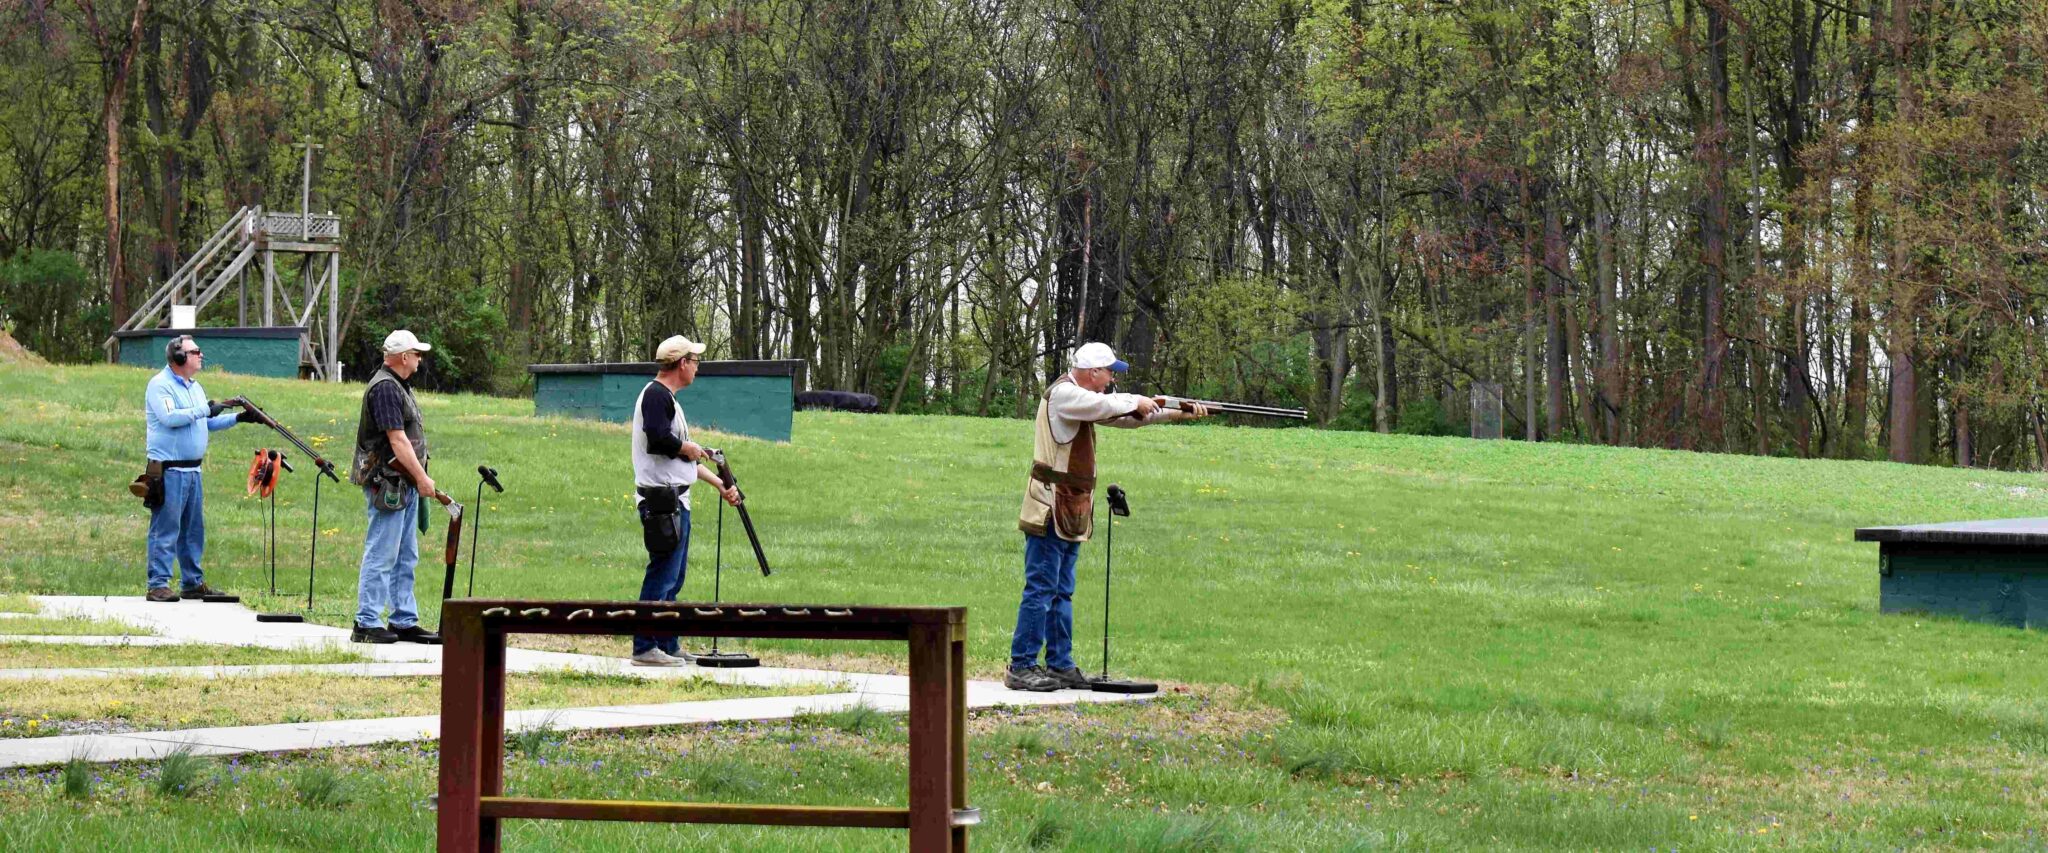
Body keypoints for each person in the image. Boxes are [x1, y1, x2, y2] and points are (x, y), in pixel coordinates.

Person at [1007, 342, 1211, 691]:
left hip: (1071, 507)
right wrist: (1138, 400)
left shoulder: (1085, 401)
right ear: (1092, 372)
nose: (1111, 380)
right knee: (1041, 589)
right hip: (1050, 505)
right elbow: (1109, 404)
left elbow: (1124, 417)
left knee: (1062, 592)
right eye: (1108, 372)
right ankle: (1021, 665)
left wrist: (1179, 411)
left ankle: (1059, 664)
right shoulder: (1065, 395)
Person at [628, 335, 741, 666]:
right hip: (662, 501)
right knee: (662, 574)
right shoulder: (655, 396)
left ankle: (666, 642)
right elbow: (658, 439)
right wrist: (687, 447)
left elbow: (685, 459)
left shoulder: (668, 399)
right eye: (695, 362)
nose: (697, 368)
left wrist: (720, 483)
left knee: (674, 579)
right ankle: (644, 646)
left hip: (676, 500)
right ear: (682, 363)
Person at [141, 334, 256, 602]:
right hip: (168, 470)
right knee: (166, 528)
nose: (200, 355)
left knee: (193, 530)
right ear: (179, 357)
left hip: (193, 470)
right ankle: (157, 584)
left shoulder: (195, 387)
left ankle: (192, 582)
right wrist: (205, 409)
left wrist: (238, 418)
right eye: (195, 352)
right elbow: (170, 418)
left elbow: (206, 422)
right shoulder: (160, 386)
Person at [347, 330, 442, 644]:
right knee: (382, 552)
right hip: (386, 482)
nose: (419, 358)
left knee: (405, 554)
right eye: (416, 353)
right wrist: (423, 478)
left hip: (402, 482)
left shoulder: (398, 385)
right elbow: (398, 441)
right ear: (404, 357)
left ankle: (403, 620)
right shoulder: (387, 388)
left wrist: (417, 479)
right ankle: (366, 622)